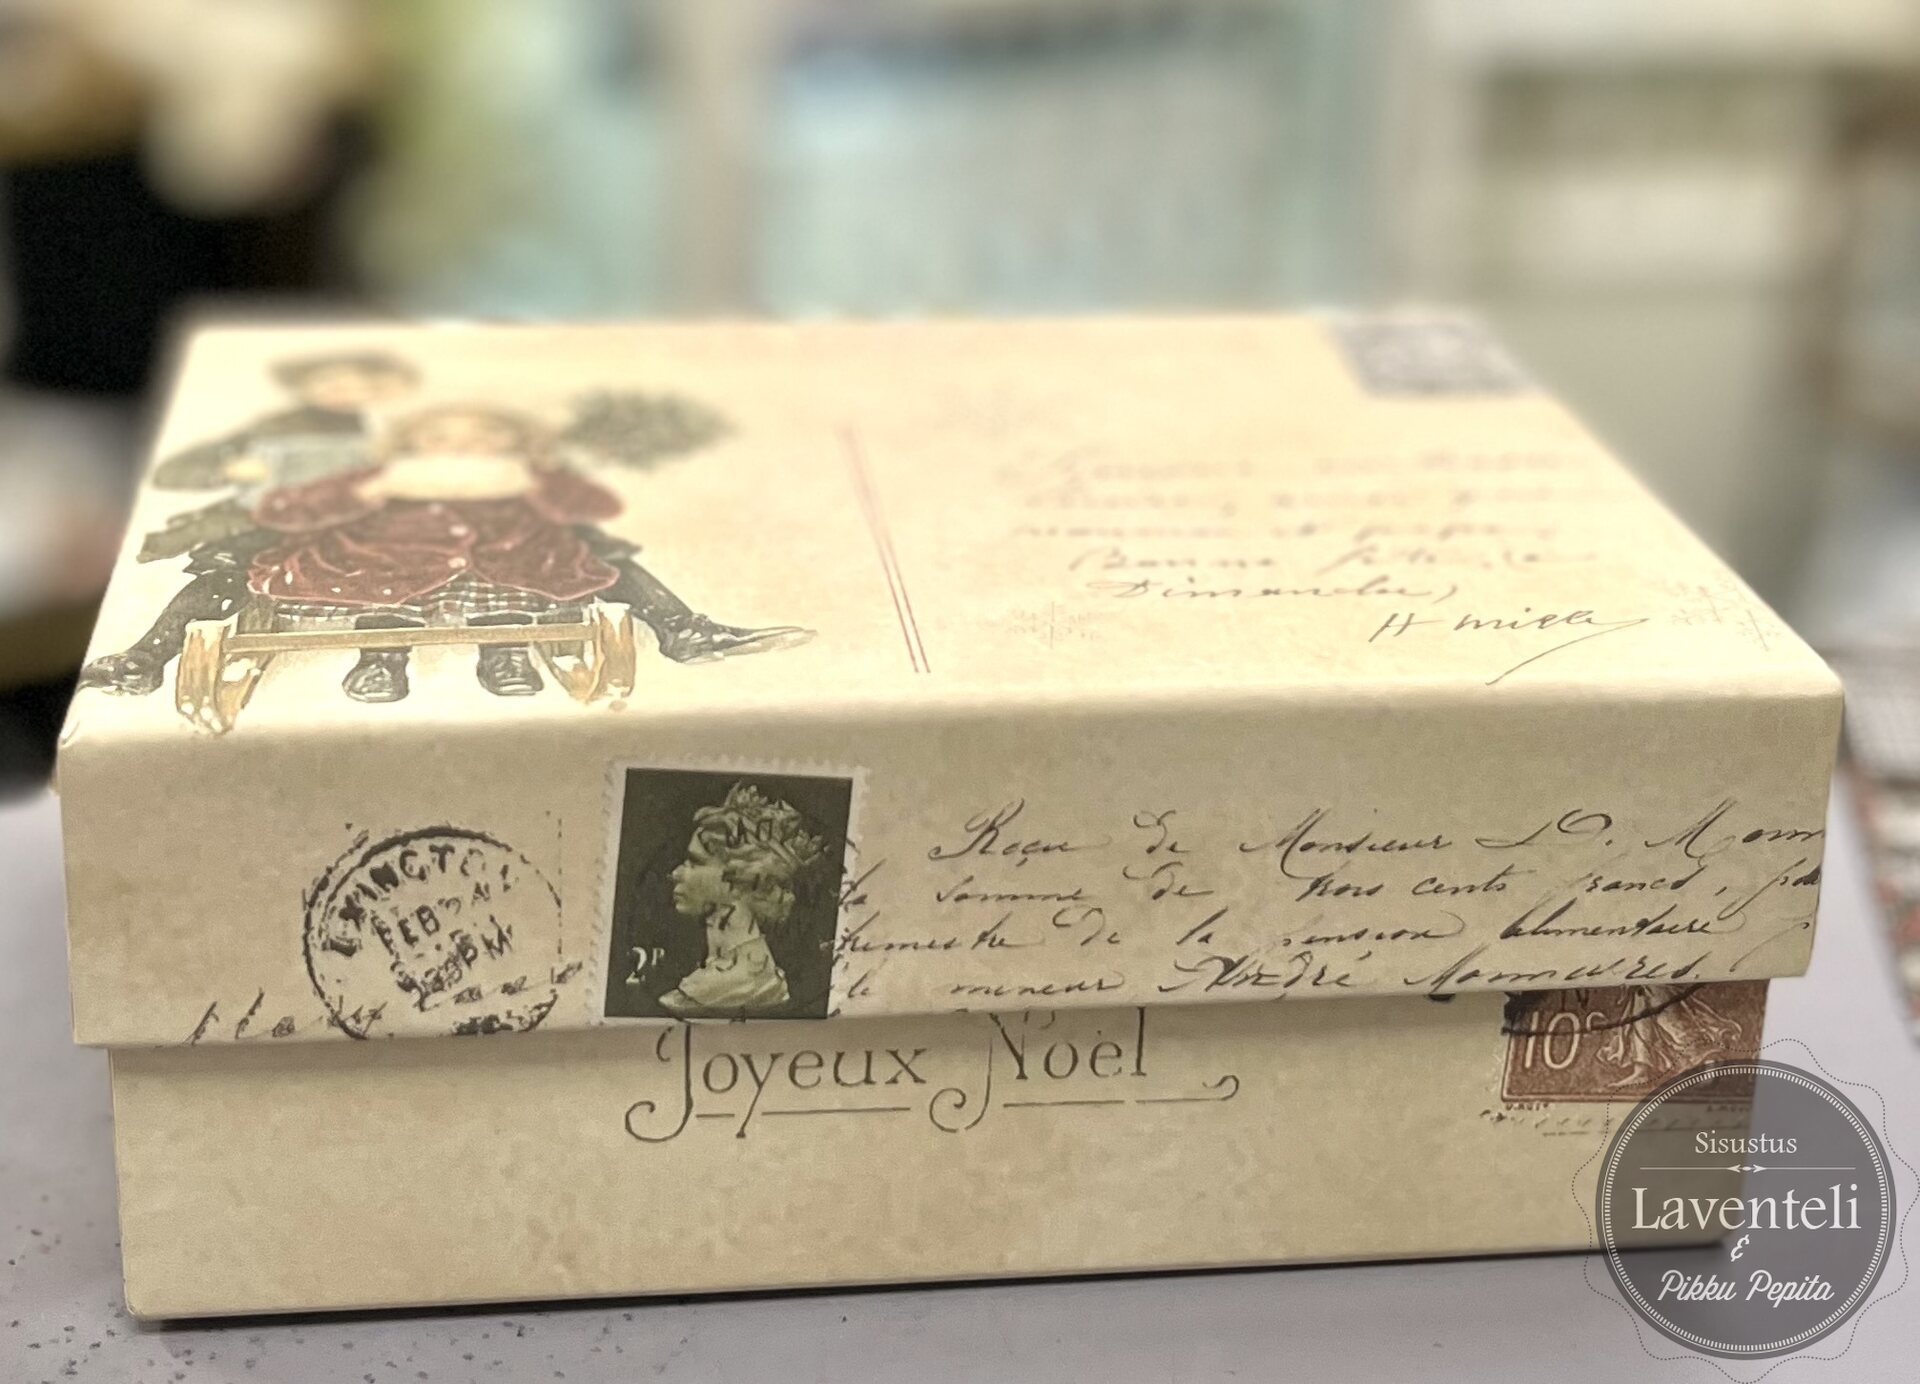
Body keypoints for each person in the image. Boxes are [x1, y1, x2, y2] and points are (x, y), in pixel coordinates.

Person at [81, 351, 421, 695]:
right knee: (225, 576)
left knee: (394, 562)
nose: (343, 391)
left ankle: (381, 663)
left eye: (356, 383)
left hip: (362, 527)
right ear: (305, 387)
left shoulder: (394, 426)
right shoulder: (276, 429)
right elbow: (172, 471)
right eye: (330, 382)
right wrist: (230, 469)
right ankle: (145, 659)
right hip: (274, 523)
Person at [655, 784, 827, 1016]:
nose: (675, 873)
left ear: (739, 879)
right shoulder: (729, 977)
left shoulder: (734, 986)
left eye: (695, 861)